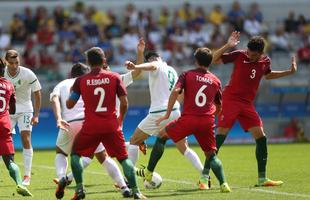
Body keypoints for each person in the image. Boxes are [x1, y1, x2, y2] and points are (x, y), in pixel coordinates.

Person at [52, 38, 145, 199]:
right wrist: (120, 120)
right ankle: (135, 191)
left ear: (88, 62)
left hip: (91, 126)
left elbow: (70, 103)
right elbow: (124, 103)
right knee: (123, 159)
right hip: (111, 124)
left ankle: (80, 188)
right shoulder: (115, 77)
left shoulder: (81, 81)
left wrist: (74, 97)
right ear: (104, 60)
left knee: (75, 155)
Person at [209, 31, 297, 186]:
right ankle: (204, 175)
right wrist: (228, 46)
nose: (249, 55)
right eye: (248, 52)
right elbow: (214, 59)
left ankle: (262, 178)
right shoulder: (239, 55)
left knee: (261, 137)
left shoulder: (265, 61)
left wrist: (288, 72)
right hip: (230, 99)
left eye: (253, 54)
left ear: (261, 53)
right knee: (221, 136)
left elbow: (268, 75)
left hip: (247, 104)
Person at [156, 47, 231, 192]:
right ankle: (224, 184)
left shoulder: (187, 75)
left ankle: (148, 172)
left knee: (162, 136)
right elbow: (219, 106)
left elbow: (176, 91)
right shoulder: (215, 80)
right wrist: (211, 115)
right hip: (206, 121)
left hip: (188, 119)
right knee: (211, 155)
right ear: (210, 62)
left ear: (196, 60)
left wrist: (167, 113)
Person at [126, 51, 204, 188]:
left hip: (159, 112)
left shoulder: (157, 64)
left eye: (153, 58)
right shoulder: (172, 70)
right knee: (184, 148)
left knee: (134, 141)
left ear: (157, 58)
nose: (153, 60)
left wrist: (136, 67)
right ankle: (204, 175)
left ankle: (128, 180)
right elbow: (180, 93)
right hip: (175, 111)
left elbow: (152, 66)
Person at [4, 49, 41, 186]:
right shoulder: (2, 73)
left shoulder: (28, 73)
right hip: (8, 111)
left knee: (25, 137)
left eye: (17, 62)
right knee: (5, 140)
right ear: (6, 62)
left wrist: (36, 114)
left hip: (25, 109)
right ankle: (12, 169)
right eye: (11, 63)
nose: (14, 66)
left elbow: (37, 93)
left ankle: (27, 175)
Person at [0, 58, 32, 196]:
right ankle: (20, 183)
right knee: (10, 161)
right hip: (4, 124)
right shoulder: (9, 85)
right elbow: (12, 110)